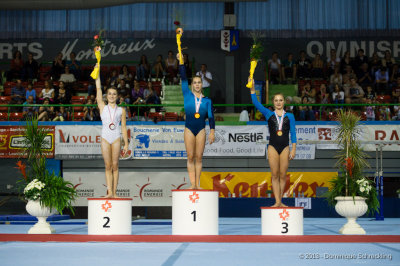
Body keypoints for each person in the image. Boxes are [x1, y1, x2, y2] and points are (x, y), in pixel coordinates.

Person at [249, 78, 297, 207]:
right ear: (273, 102)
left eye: (280, 100)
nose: (278, 102)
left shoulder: (290, 116)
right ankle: (277, 202)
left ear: (284, 102)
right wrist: (252, 89)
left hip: (285, 147)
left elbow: (293, 133)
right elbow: (255, 103)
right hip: (272, 147)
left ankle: (281, 201)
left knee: (283, 174)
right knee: (275, 174)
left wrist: (293, 149)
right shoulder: (268, 114)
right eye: (276, 100)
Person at [177, 31, 215, 189]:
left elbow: (211, 117)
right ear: (192, 85)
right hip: (188, 128)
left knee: (199, 157)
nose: (198, 84)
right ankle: (192, 184)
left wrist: (212, 131)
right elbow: (183, 75)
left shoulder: (207, 101)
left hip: (201, 129)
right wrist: (180, 56)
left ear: (202, 84)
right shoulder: (187, 94)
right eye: (195, 82)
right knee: (190, 156)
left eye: (200, 82)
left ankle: (197, 185)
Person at [95, 63, 128, 198]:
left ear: (117, 96)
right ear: (106, 95)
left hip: (116, 138)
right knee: (107, 166)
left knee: (115, 165)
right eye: (109, 94)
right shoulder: (102, 106)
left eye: (114, 94)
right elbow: (98, 88)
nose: (112, 96)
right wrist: (97, 71)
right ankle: (109, 193)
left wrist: (125, 143)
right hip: (105, 138)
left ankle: (115, 193)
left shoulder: (121, 110)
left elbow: (124, 127)